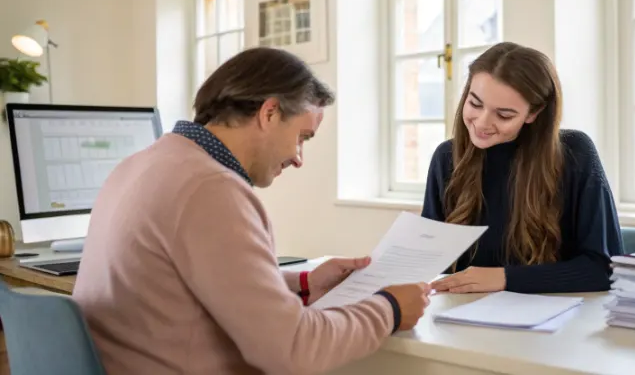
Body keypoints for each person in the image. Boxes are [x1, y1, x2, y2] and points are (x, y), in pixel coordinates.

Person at [72, 47, 431, 375]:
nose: (298, 158)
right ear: (270, 113)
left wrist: (304, 285)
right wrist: (390, 308)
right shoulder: (211, 190)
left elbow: (200, 286)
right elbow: (293, 350)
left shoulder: (141, 165)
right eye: (302, 137)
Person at [421, 41, 623, 295]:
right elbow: (427, 262)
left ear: (534, 113)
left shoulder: (575, 154)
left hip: (556, 323)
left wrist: (505, 278)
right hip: (457, 320)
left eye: (504, 115)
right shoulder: (447, 157)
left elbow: (605, 268)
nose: (482, 123)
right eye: (475, 104)